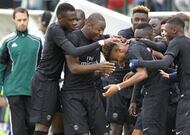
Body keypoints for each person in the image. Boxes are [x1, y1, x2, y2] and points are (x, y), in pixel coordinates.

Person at [30, 3, 117, 135]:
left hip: (57, 82)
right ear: (60, 18)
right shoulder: (56, 29)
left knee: (58, 120)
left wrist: (108, 39)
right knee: (42, 126)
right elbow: (73, 52)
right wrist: (100, 44)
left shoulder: (71, 32)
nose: (75, 22)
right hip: (44, 81)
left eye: (76, 19)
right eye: (72, 20)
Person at [129, 17, 190, 135]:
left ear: (174, 30)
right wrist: (140, 40)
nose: (163, 33)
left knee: (182, 132)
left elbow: (164, 62)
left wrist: (138, 63)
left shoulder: (177, 42)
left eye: (165, 31)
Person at [103, 23, 170, 135]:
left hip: (156, 94)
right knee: (136, 133)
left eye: (116, 59)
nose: (119, 62)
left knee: (150, 131)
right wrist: (133, 73)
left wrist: (118, 87)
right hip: (150, 93)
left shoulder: (132, 50)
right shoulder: (134, 45)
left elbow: (142, 74)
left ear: (118, 50)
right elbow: (143, 70)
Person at [61, 12, 115, 135]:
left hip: (91, 91)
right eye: (99, 29)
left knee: (104, 133)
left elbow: (110, 54)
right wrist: (98, 67)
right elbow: (73, 68)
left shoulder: (99, 39)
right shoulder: (73, 38)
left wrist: (102, 71)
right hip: (73, 94)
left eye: (103, 30)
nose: (101, 33)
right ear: (88, 25)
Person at [0, 7, 42, 135]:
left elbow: (41, 66)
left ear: (28, 19)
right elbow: (1, 66)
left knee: (31, 125)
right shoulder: (7, 41)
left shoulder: (38, 41)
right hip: (13, 89)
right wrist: (1, 90)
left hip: (32, 89)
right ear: (14, 20)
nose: (22, 22)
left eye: (24, 19)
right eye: (19, 20)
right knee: (18, 129)